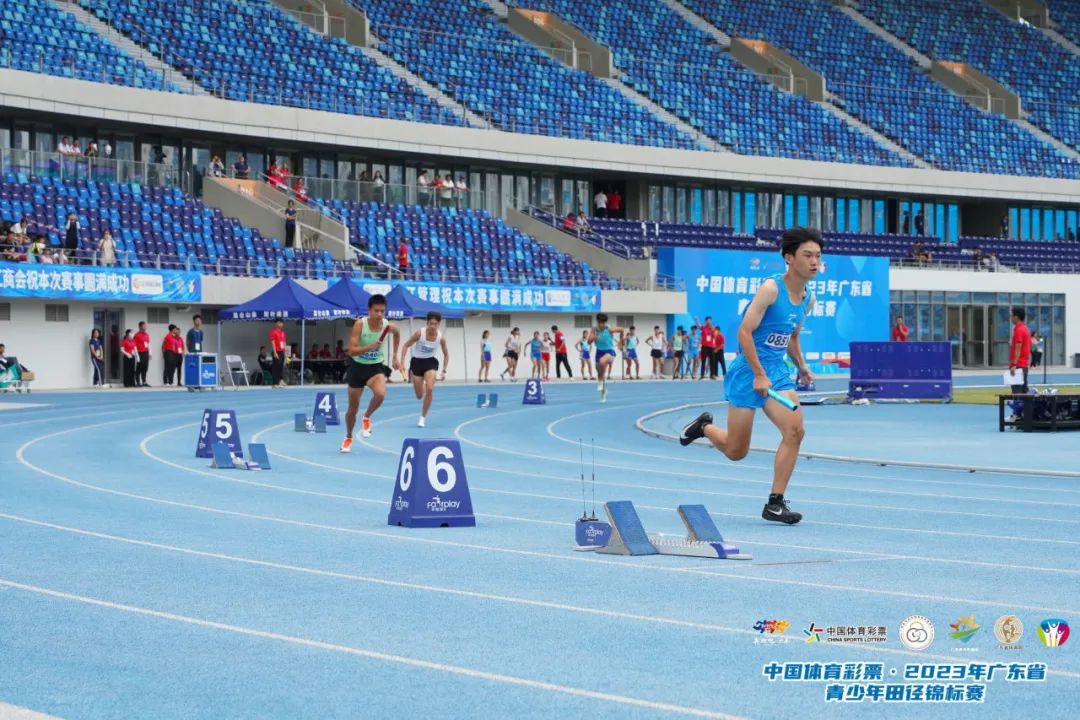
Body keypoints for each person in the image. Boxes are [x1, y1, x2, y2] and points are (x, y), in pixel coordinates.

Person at [679, 227, 823, 525]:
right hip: (748, 372)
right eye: (807, 255)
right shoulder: (771, 290)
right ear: (789, 257)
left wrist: (802, 366)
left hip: (778, 374)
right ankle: (704, 428)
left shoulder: (808, 297)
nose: (814, 261)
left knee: (795, 431)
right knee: (736, 451)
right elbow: (744, 332)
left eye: (818, 256)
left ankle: (775, 503)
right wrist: (758, 374)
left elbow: (792, 337)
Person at [341, 294, 402, 452]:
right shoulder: (360, 325)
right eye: (377, 311)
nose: (380, 314)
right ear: (369, 310)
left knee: (380, 394)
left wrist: (395, 356)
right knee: (352, 410)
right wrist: (370, 346)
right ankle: (348, 436)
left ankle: (367, 416)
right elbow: (352, 351)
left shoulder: (387, 325)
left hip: (375, 368)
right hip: (357, 368)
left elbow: (397, 333)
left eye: (382, 311)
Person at [399, 311, 450, 428]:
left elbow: (446, 354)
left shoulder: (441, 338)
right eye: (431, 323)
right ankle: (420, 384)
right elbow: (406, 345)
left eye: (435, 324)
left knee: (430, 389)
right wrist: (402, 362)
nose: (433, 326)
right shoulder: (419, 333)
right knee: (419, 395)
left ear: (439, 324)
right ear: (427, 323)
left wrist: (444, 370)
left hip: (430, 363)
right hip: (417, 363)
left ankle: (422, 418)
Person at [588, 313, 627, 403]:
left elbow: (622, 330)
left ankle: (601, 383)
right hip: (599, 352)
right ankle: (603, 394)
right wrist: (593, 337)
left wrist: (620, 343)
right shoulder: (594, 329)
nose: (601, 325)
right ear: (597, 322)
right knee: (600, 374)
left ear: (605, 322)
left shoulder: (609, 329)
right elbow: (589, 342)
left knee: (602, 362)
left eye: (603, 323)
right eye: (600, 323)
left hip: (609, 351)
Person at [1009, 307, 1031, 394]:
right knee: (1024, 391)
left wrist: (1014, 364)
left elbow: (1018, 347)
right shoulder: (1025, 329)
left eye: (1012, 316)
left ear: (1016, 317)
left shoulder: (1019, 330)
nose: (1011, 318)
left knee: (1017, 393)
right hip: (1023, 365)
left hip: (1018, 366)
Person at [269, 317, 287, 388]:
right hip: (276, 352)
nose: (281, 324)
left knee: (281, 367)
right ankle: (274, 383)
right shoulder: (273, 332)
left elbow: (284, 342)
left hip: (282, 352)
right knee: (276, 368)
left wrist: (285, 353)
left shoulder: (283, 332)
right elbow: (273, 343)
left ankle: (281, 381)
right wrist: (275, 352)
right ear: (276, 323)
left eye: (282, 322)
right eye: (279, 322)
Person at [134, 321, 151, 387]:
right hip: (140, 353)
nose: (145, 327)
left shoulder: (147, 334)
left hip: (146, 352)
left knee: (145, 368)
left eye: (145, 326)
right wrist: (136, 354)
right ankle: (137, 382)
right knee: (139, 367)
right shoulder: (137, 335)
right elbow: (134, 345)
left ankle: (144, 381)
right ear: (140, 326)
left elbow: (148, 344)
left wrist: (150, 352)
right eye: (144, 326)